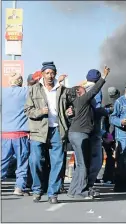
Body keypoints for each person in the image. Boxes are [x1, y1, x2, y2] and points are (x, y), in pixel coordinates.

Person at [24, 62, 71, 204]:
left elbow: (69, 106)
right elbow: (27, 110)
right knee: (35, 160)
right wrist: (40, 112)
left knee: (57, 162)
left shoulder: (62, 89)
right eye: (47, 73)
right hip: (39, 130)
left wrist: (70, 111)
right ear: (43, 74)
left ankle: (53, 193)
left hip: (57, 129)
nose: (50, 76)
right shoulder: (34, 89)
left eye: (52, 73)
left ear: (55, 74)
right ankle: (37, 189)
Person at [67, 66, 110, 199]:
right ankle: (83, 189)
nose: (85, 88)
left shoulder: (76, 100)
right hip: (83, 133)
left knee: (81, 164)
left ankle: (74, 190)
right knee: (86, 164)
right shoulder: (85, 97)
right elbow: (95, 92)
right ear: (80, 93)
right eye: (82, 89)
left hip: (77, 133)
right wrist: (104, 77)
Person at [82, 69, 112, 195]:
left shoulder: (80, 89)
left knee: (82, 160)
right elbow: (97, 109)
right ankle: (88, 186)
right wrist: (109, 111)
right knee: (96, 160)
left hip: (81, 130)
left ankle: (80, 185)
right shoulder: (96, 91)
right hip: (94, 131)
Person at [1, 74, 31, 196]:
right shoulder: (25, 91)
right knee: (22, 162)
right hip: (21, 133)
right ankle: (19, 187)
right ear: (20, 82)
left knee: (2, 161)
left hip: (5, 133)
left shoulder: (2, 92)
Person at [100, 87, 121, 184]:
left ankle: (109, 177)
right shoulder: (115, 107)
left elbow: (104, 124)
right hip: (113, 135)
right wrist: (108, 136)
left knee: (111, 156)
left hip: (111, 135)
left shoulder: (107, 106)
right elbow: (104, 124)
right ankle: (110, 177)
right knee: (113, 156)